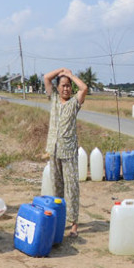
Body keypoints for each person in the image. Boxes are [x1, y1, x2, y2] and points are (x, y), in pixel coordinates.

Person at [44, 67, 88, 237]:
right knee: (57, 187)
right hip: (53, 149)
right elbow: (46, 78)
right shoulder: (54, 98)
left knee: (72, 187)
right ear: (58, 88)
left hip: (69, 151)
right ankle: (59, 219)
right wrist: (60, 71)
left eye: (68, 86)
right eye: (63, 85)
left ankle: (74, 223)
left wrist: (70, 75)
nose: (66, 88)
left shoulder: (74, 103)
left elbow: (83, 88)